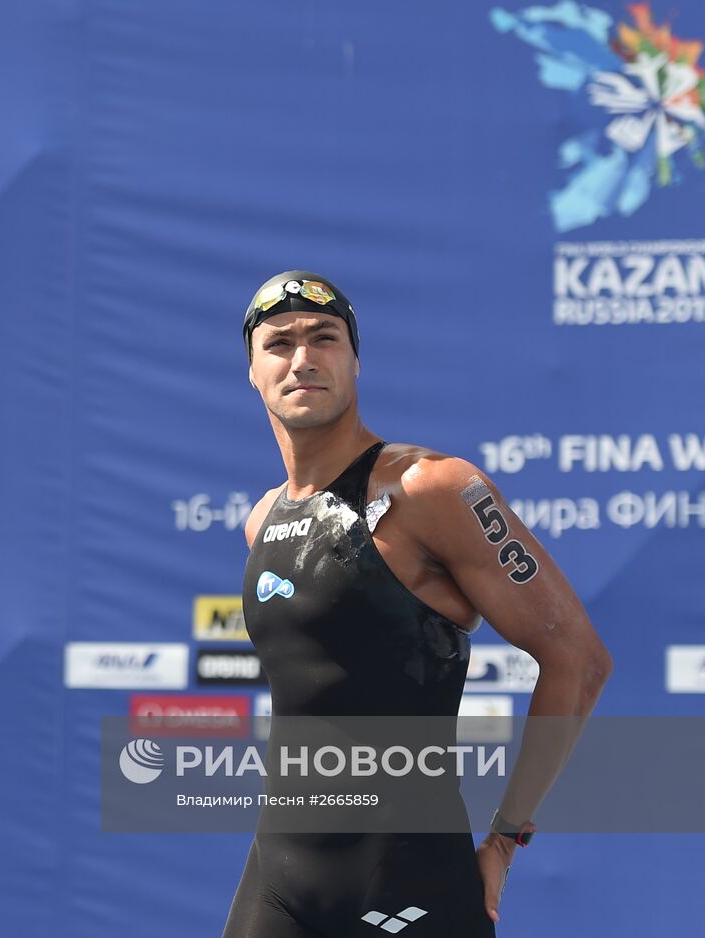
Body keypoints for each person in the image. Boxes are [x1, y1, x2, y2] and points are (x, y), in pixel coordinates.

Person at [221, 271, 613, 937]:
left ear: (355, 359)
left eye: (325, 338)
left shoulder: (430, 489)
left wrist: (505, 839)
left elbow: (578, 657)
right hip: (279, 881)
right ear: (253, 369)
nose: (303, 358)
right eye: (279, 343)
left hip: (408, 880)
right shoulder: (262, 519)